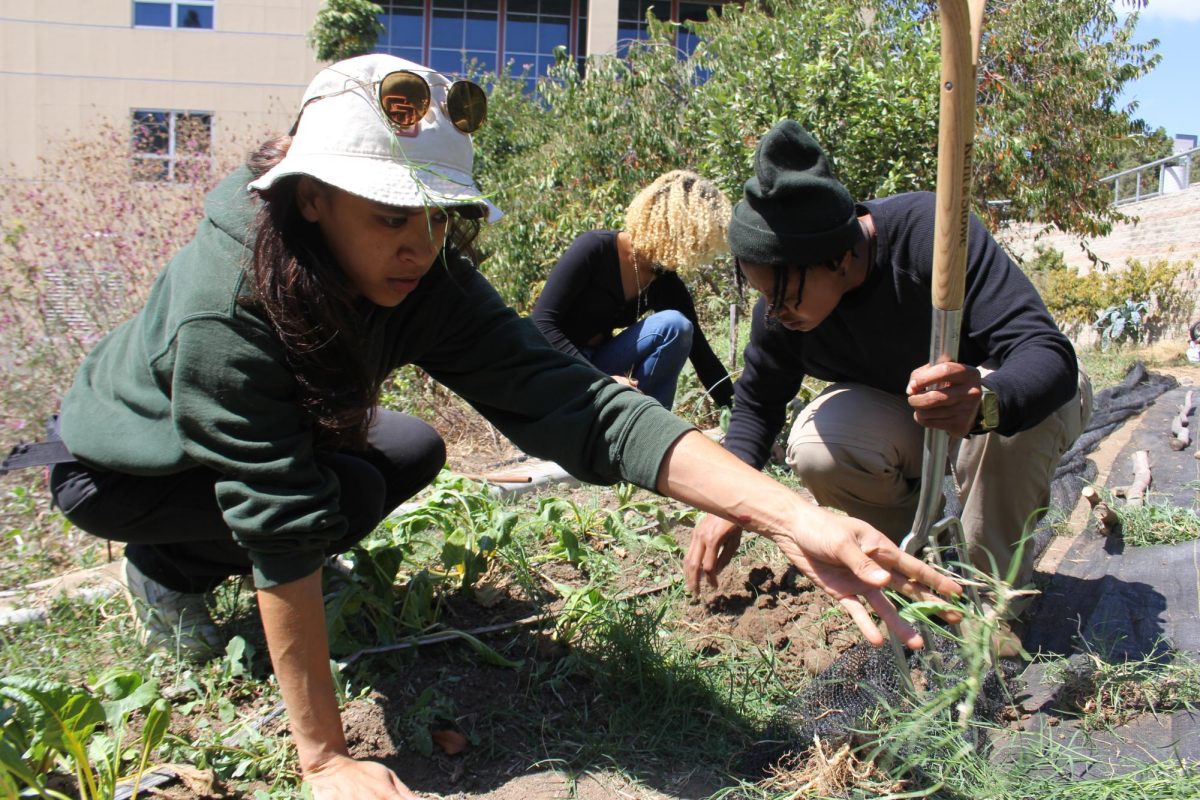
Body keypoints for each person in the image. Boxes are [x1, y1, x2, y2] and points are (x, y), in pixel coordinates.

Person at [48, 62, 959, 799]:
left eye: (438, 216)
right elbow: (276, 508)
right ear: (312, 199)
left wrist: (793, 517)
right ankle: (167, 571)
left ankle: (246, 567)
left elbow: (580, 405)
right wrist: (323, 759)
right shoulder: (232, 306)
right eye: (391, 216)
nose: (419, 245)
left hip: (270, 453)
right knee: (298, 518)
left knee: (402, 458)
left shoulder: (416, 273)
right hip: (127, 470)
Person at [685, 121, 1092, 638]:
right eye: (764, 293)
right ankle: (915, 570)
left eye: (784, 293)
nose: (775, 311)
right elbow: (757, 406)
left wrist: (986, 402)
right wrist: (731, 498)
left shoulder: (932, 234)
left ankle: (991, 604)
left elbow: (1049, 356)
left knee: (1008, 422)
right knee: (817, 445)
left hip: (1007, 408)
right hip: (909, 416)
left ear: (840, 255)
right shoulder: (781, 315)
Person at [530, 170, 734, 410]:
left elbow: (702, 355)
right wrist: (601, 380)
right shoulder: (596, 248)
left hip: (601, 362)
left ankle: (652, 429)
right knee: (673, 324)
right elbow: (542, 324)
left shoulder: (665, 281)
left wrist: (740, 416)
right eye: (695, 241)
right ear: (674, 229)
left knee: (677, 327)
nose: (697, 250)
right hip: (561, 368)